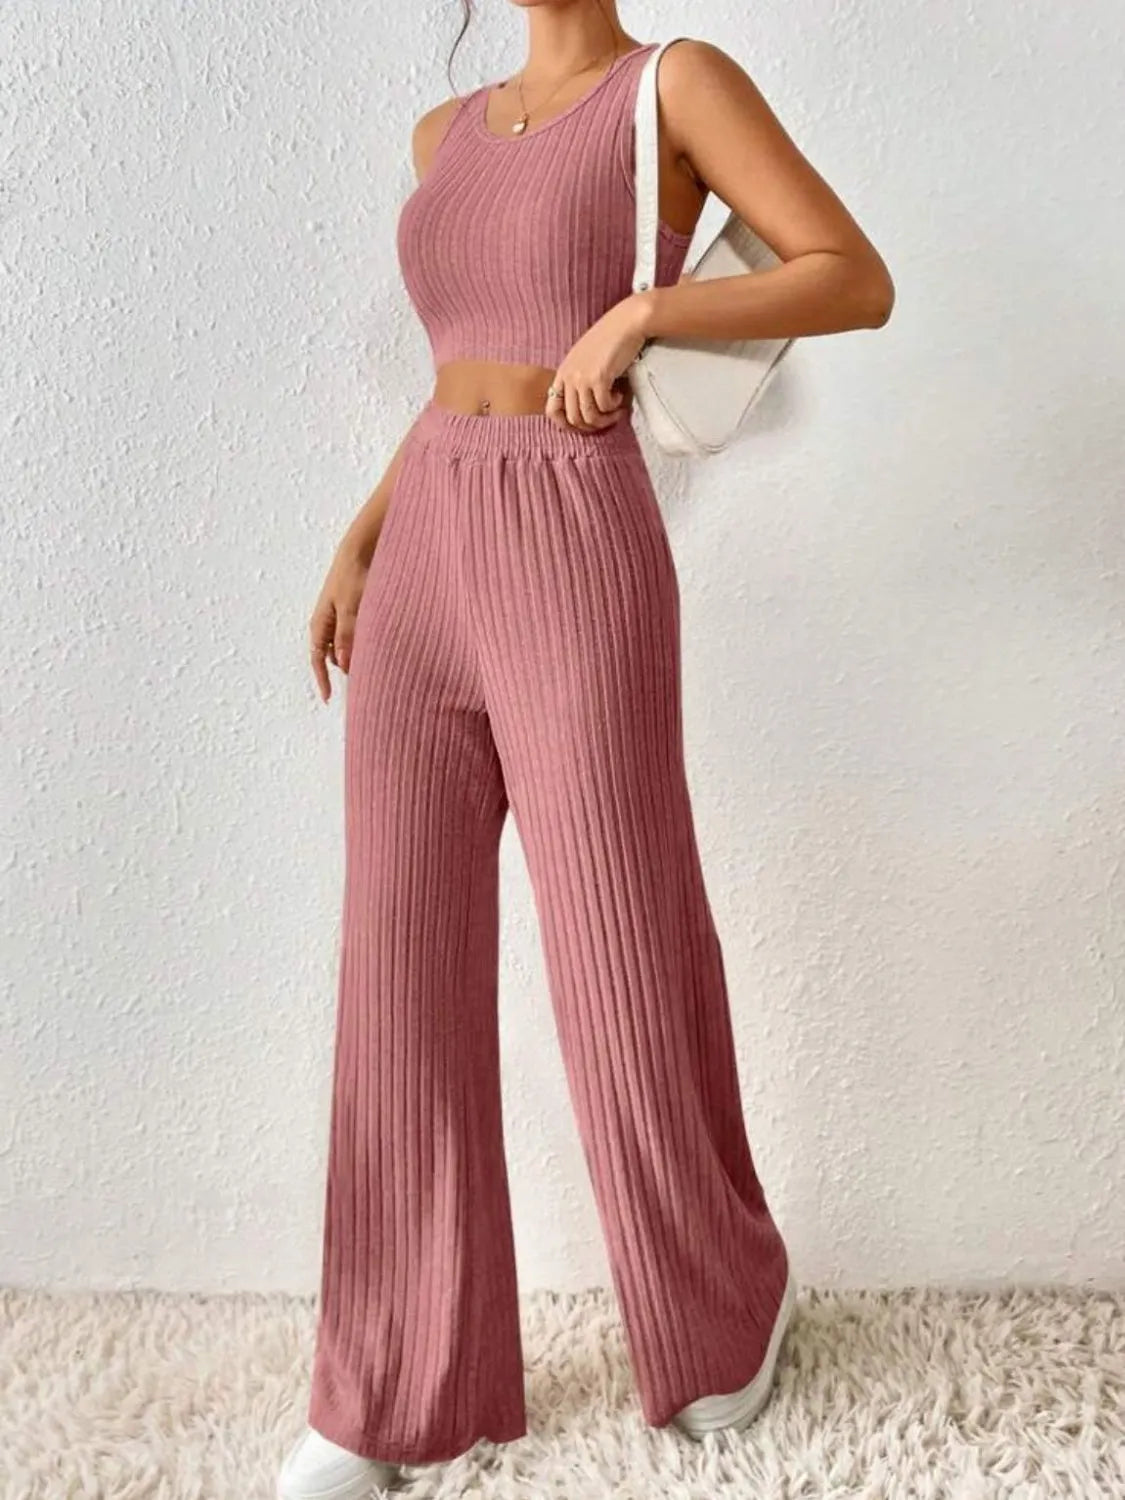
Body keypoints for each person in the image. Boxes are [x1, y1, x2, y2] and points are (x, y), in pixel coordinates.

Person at [278, 3, 894, 1495]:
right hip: (426, 543)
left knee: (622, 955)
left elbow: (851, 276)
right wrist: (364, 536)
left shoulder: (671, 87)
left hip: (573, 534)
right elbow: (461, 368)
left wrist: (640, 315)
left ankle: (721, 1305)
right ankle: (387, 1388)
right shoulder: (442, 136)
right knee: (398, 969)